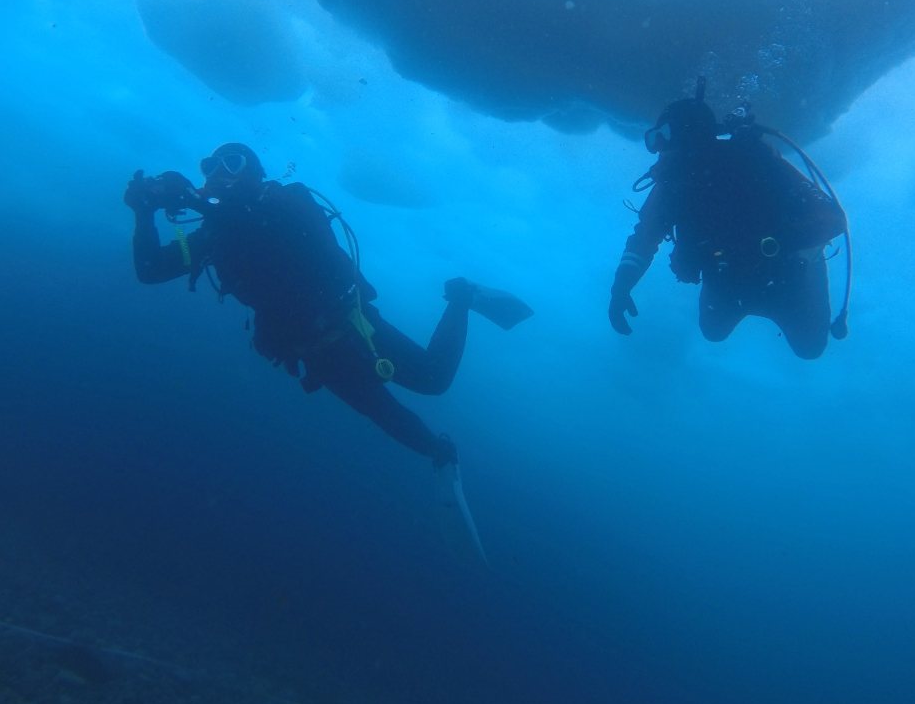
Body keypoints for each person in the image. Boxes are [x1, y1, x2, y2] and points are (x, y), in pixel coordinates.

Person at [123, 143, 530, 469]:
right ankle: (439, 454)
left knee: (434, 381)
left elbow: (269, 230)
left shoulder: (285, 202)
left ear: (257, 173)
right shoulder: (213, 235)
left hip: (352, 325)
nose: (219, 172)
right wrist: (144, 216)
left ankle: (462, 297)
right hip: (312, 350)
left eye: (233, 161)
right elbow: (151, 270)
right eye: (210, 165)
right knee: (383, 414)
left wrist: (193, 198)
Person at [609, 81, 848, 359]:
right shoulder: (671, 186)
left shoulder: (756, 162)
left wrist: (768, 244)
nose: (657, 148)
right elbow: (644, 238)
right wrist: (621, 285)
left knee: (811, 349)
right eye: (653, 138)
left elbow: (832, 219)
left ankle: (813, 261)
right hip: (727, 284)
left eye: (664, 135)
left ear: (691, 134)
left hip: (786, 278)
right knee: (712, 332)